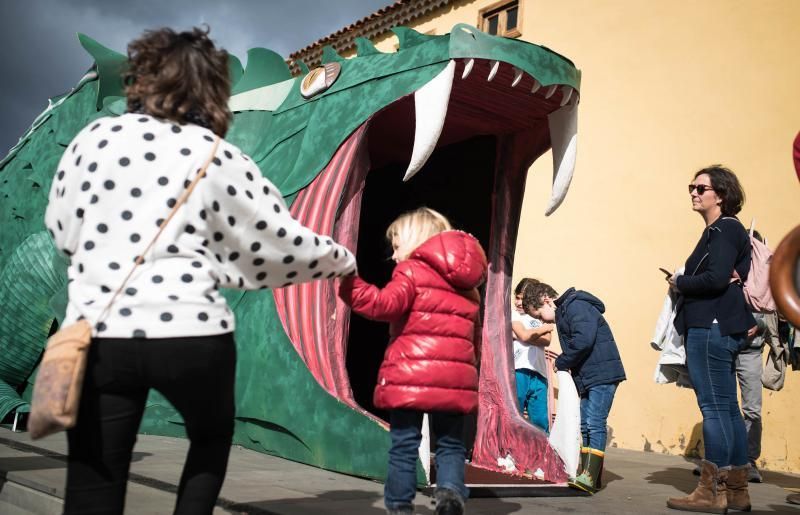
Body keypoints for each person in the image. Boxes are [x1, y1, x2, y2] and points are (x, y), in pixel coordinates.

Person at [44, 27, 356, 515]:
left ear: (142, 77)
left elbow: (62, 230)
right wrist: (341, 258)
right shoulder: (219, 156)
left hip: (102, 332)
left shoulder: (94, 140)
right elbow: (275, 245)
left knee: (94, 477)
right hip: (191, 333)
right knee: (210, 440)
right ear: (213, 89)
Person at [338, 207, 486, 515]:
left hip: (411, 372)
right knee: (451, 445)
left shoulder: (411, 271)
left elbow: (384, 305)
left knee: (405, 445)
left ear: (415, 240)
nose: (393, 256)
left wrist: (349, 282)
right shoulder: (469, 287)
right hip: (455, 377)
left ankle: (400, 506)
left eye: (396, 246)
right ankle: (449, 495)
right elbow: (475, 339)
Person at [666, 165, 757, 514]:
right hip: (723, 326)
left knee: (714, 409)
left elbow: (717, 278)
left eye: (701, 188)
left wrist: (680, 283)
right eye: (692, 186)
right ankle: (736, 490)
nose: (693, 192)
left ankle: (711, 491)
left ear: (720, 195)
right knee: (728, 408)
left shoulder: (722, 229)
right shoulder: (728, 231)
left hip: (710, 326)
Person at [523, 281, 626, 494]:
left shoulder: (576, 306)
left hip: (602, 374)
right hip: (589, 376)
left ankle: (588, 475)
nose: (541, 320)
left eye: (539, 315)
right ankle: (589, 474)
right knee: (586, 425)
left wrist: (562, 361)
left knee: (595, 422)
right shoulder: (566, 311)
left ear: (546, 300)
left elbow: (584, 340)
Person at [511, 278, 554, 431]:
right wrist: (544, 329)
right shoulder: (513, 315)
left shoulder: (538, 315)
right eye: (517, 297)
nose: (518, 302)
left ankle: (541, 451)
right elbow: (523, 336)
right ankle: (513, 449)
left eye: (523, 299)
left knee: (540, 418)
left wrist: (526, 335)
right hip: (518, 370)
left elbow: (547, 341)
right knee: (516, 413)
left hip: (539, 373)